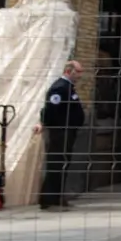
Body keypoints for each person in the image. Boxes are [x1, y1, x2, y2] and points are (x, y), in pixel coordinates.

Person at [35, 60, 85, 212]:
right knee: (56, 164)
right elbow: (51, 109)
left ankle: (57, 198)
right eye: (78, 72)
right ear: (69, 71)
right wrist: (45, 123)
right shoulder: (59, 88)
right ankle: (49, 200)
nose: (80, 75)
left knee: (63, 164)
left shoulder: (68, 87)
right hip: (60, 132)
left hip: (68, 131)